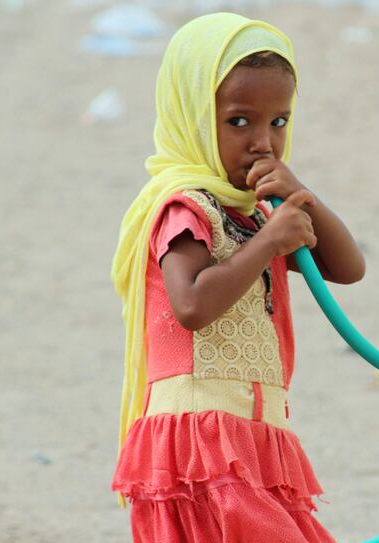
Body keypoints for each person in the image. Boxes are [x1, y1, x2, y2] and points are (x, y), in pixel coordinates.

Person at [110, 12, 364, 542]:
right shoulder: (184, 209)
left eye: (279, 122)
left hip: (251, 438)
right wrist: (270, 242)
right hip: (200, 442)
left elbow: (347, 268)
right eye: (239, 121)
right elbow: (192, 305)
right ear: (194, 118)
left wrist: (302, 195)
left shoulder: (256, 211)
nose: (263, 142)